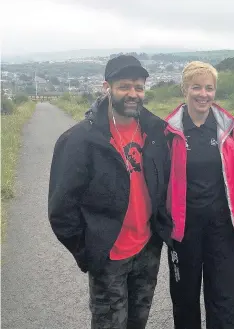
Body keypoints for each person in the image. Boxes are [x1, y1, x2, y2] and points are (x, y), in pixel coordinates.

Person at [48, 55, 174, 329]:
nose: (133, 94)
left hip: (147, 249)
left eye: (138, 87)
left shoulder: (155, 131)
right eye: (124, 86)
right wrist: (90, 250)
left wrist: (160, 228)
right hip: (109, 257)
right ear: (107, 87)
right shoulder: (80, 140)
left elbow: (163, 182)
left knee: (137, 322)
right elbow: (61, 209)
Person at [164, 61, 234, 329]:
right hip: (184, 229)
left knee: (224, 297)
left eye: (209, 88)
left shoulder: (228, 127)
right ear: (184, 89)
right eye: (196, 87)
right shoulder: (169, 130)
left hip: (221, 227)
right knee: (185, 297)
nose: (203, 94)